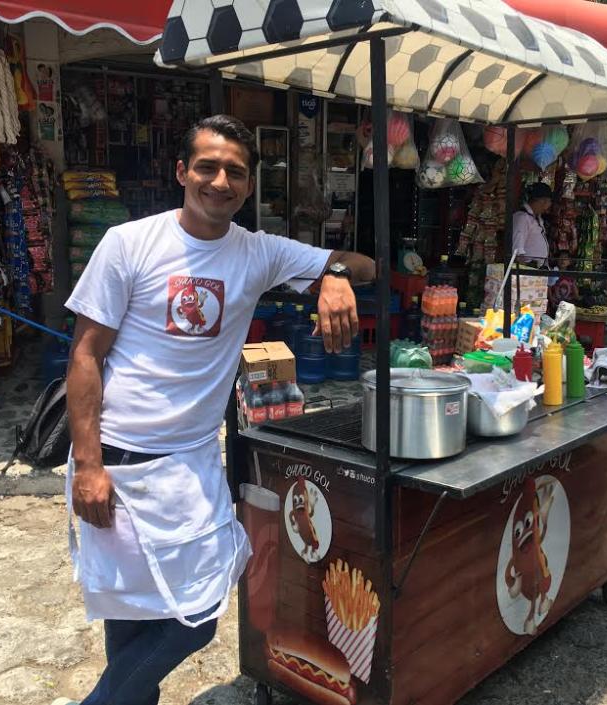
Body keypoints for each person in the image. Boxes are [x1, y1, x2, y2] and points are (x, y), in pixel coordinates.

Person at [52, 114, 374, 705]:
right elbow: (86, 354)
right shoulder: (129, 243)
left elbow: (365, 265)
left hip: (190, 465)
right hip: (120, 463)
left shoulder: (260, 253)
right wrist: (89, 463)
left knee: (196, 613)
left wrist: (331, 274)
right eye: (208, 167)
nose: (220, 181)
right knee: (131, 614)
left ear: (249, 185)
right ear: (182, 172)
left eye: (235, 172)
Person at [511, 182, 553, 266]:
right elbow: (517, 251)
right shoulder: (522, 218)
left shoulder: (537, 218)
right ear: (542, 201)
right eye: (549, 201)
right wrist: (523, 272)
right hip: (528, 269)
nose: (549, 205)